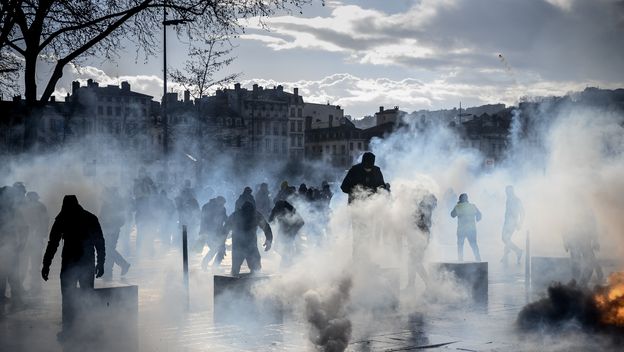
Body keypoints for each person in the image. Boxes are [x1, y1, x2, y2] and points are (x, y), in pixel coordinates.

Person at [41, 195, 105, 338]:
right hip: (86, 261)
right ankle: (90, 328)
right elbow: (99, 242)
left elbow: (53, 244)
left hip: (69, 263)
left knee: (68, 297)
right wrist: (101, 263)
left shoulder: (62, 218)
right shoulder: (90, 218)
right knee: (88, 295)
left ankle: (69, 330)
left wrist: (46, 265)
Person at [223, 201, 272, 276]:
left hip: (246, 245)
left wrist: (269, 240)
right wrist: (269, 240)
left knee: (254, 268)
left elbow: (225, 229)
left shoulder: (239, 215)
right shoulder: (254, 214)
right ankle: (232, 285)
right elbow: (266, 227)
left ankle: (255, 285)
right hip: (243, 245)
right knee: (249, 268)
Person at [0, 186, 28, 310]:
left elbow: (24, 228)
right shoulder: (13, 210)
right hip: (8, 247)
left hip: (10, 247)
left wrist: (22, 242)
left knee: (12, 276)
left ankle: (16, 301)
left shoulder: (14, 211)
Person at [564, 211, 603, 286]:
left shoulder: (587, 212)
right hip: (574, 241)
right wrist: (566, 241)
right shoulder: (571, 212)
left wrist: (595, 241)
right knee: (575, 263)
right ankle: (576, 282)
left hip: (584, 240)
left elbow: (593, 227)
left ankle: (583, 283)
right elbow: (565, 227)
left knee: (589, 261)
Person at [407, 192, 437, 288]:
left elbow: (416, 221)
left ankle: (428, 283)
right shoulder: (427, 208)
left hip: (420, 237)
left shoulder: (424, 209)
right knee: (413, 262)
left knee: (415, 262)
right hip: (420, 236)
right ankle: (411, 285)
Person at [99, 187, 130, 281]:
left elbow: (121, 219)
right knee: (109, 251)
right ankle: (108, 272)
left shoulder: (115, 204)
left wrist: (112, 225)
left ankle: (123, 264)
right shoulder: (110, 203)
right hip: (109, 230)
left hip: (112, 230)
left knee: (108, 250)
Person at [21, 191, 49, 292]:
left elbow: (45, 222)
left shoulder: (37, 207)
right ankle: (32, 287)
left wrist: (42, 234)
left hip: (32, 239)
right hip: (30, 238)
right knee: (31, 264)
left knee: (32, 264)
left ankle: (33, 286)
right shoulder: (40, 206)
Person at [269, 200, 304, 267]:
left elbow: (301, 222)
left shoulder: (291, 210)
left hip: (289, 231)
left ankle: (286, 263)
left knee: (287, 247)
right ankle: (288, 261)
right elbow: (270, 219)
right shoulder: (278, 208)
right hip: (283, 230)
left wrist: (293, 231)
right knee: (276, 247)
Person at [199, 196, 228, 270]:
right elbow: (203, 220)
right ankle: (205, 264)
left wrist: (230, 225)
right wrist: (202, 231)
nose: (223, 205)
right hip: (209, 232)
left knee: (221, 250)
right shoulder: (206, 207)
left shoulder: (222, 208)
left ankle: (215, 267)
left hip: (219, 232)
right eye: (222, 203)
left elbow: (225, 219)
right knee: (214, 248)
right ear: (218, 201)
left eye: (223, 204)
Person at [450, 193, 482, 262]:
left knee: (460, 246)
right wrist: (477, 219)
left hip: (461, 230)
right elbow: (479, 215)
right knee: (474, 245)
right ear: (467, 199)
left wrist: (458, 205)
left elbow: (452, 215)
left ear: (460, 199)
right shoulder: (473, 206)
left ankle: (460, 260)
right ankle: (478, 260)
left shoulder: (458, 206)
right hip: (472, 229)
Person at [501, 186, 524, 265]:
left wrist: (520, 223)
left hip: (512, 223)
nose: (507, 193)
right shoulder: (509, 199)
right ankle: (505, 256)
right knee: (507, 239)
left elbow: (522, 212)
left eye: (508, 191)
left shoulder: (516, 200)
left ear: (512, 191)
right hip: (508, 222)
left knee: (505, 238)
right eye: (506, 191)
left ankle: (518, 251)